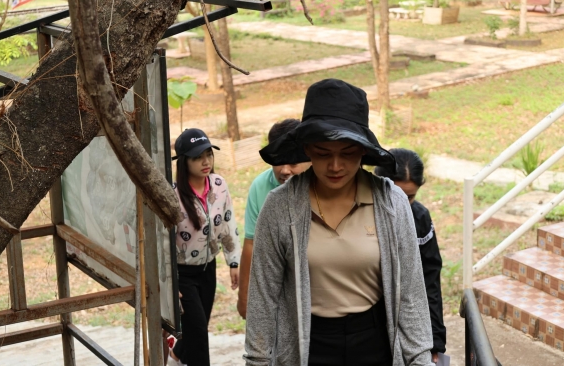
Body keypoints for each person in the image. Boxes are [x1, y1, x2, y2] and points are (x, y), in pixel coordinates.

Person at [244, 79, 434, 366]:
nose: (335, 166)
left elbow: (410, 291)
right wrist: (257, 361)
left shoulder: (391, 203)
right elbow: (264, 297)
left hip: (374, 340)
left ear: (363, 151)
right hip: (308, 344)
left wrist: (419, 359)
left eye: (347, 153)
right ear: (307, 149)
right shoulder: (280, 207)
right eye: (323, 154)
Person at [168, 128, 241, 366]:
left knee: (197, 327)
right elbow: (162, 242)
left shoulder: (219, 185)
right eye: (198, 157)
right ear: (184, 162)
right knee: (199, 332)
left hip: (208, 268)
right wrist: (169, 280)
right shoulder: (172, 194)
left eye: (209, 154)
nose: (206, 161)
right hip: (182, 274)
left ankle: (176, 355)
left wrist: (233, 260)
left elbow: (228, 222)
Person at [375, 149, 447, 364]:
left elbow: (430, 282)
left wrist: (435, 343)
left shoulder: (420, 218)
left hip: (409, 323)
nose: (403, 206)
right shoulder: (362, 215)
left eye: (410, 197)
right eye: (396, 196)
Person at [237, 119, 311, 319]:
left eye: (293, 162)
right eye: (278, 161)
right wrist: (244, 297)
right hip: (275, 283)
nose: (285, 170)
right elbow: (251, 243)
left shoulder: (323, 187)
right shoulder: (260, 187)